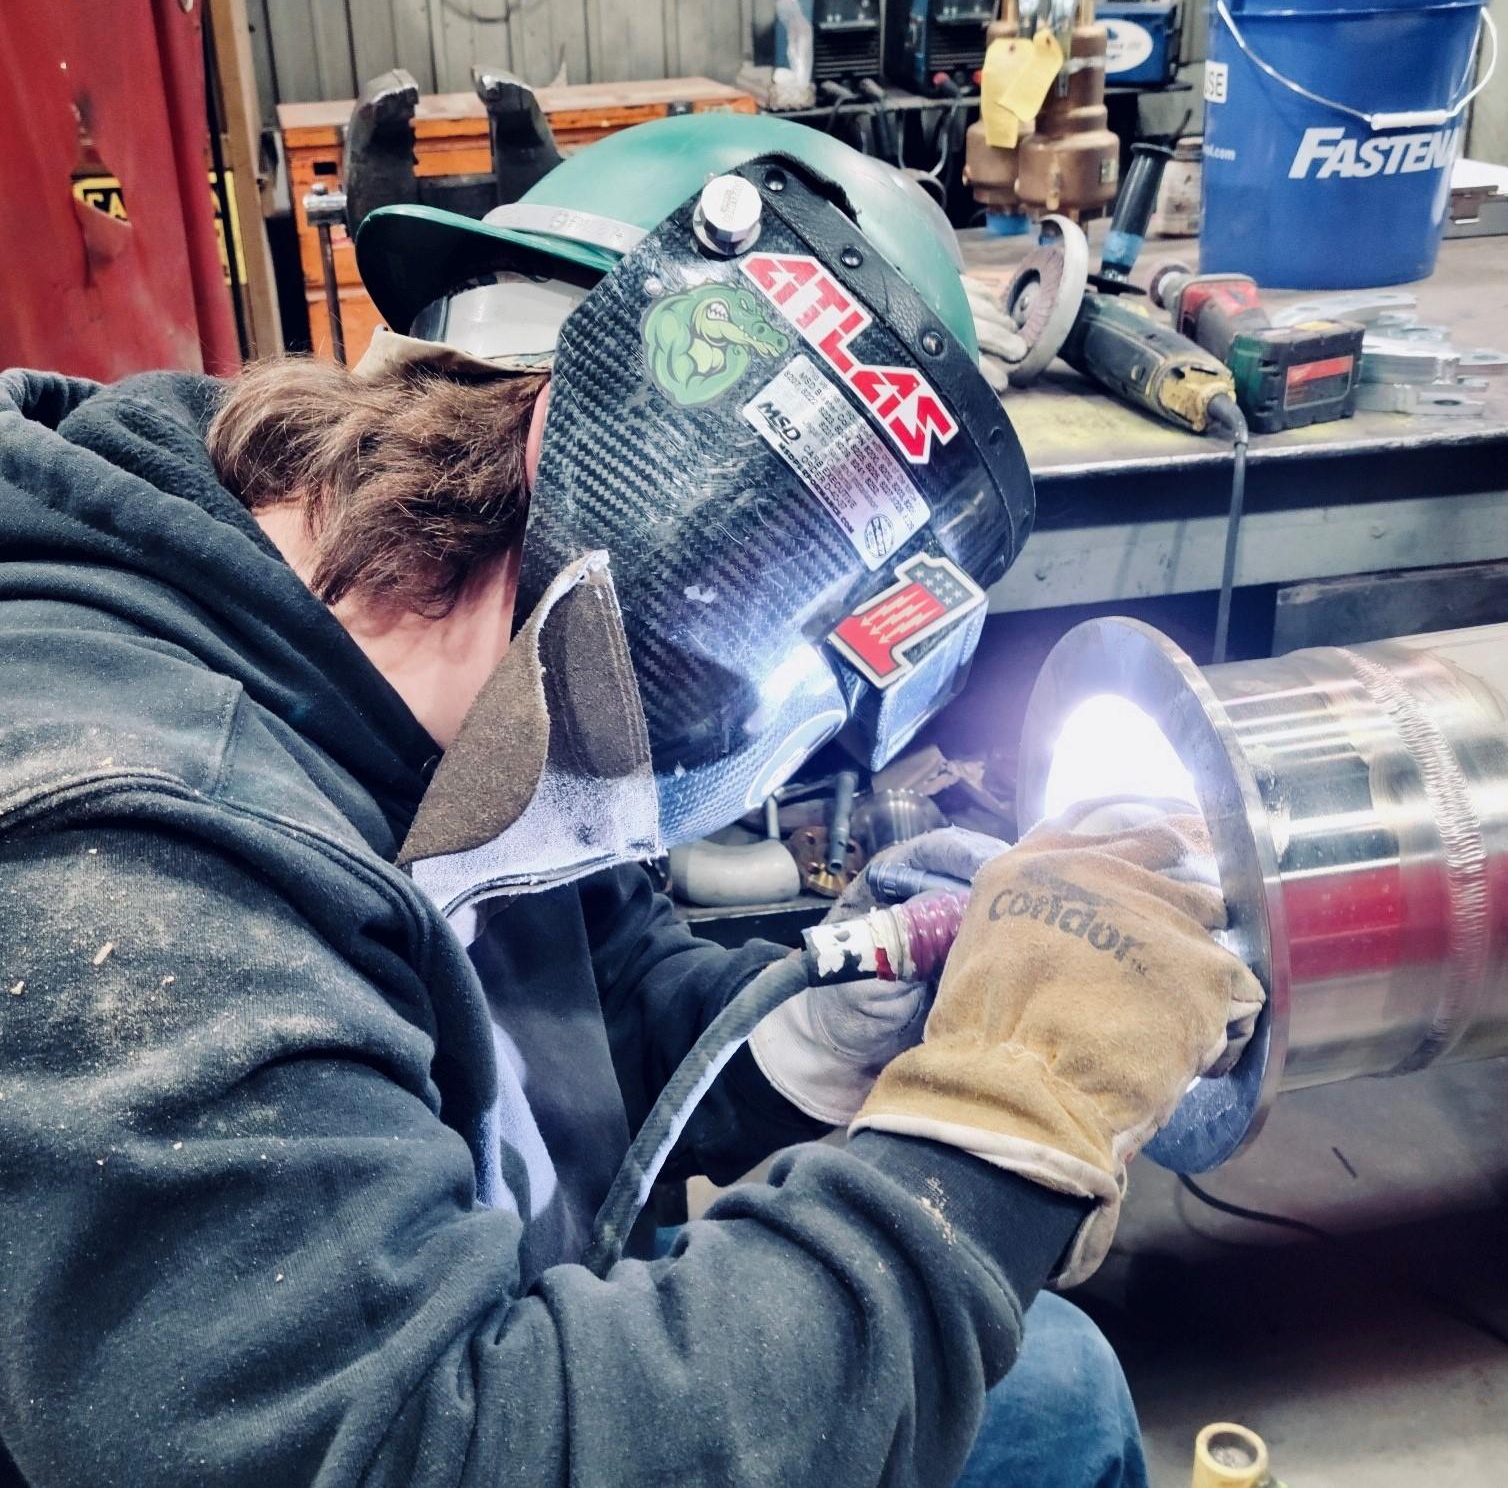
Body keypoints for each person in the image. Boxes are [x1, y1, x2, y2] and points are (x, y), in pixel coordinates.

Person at [0, 115, 1262, 1487]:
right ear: (681, 475)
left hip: (470, 1298)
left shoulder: (437, 692)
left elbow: (573, 997)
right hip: (436, 1424)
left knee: (1056, 1395)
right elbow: (429, 1452)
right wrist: (1014, 1120)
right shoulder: (135, 879)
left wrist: (803, 1041)